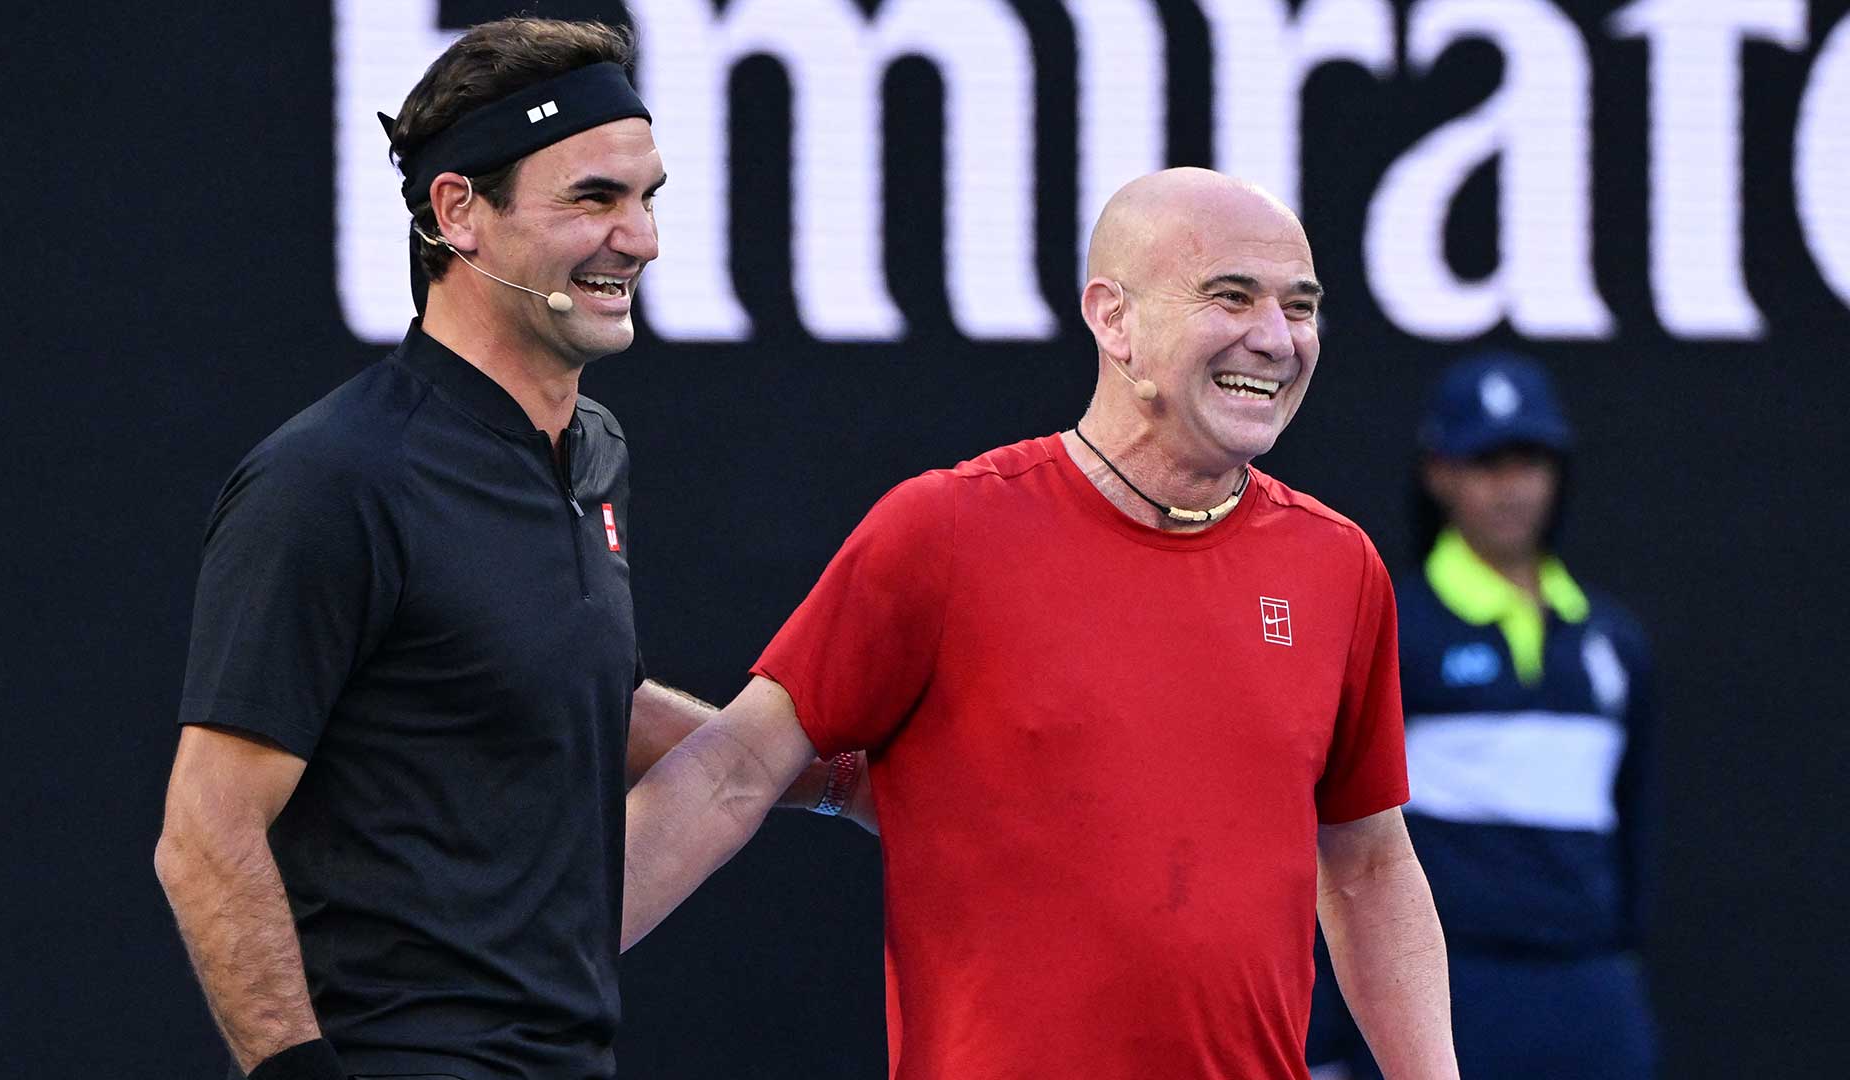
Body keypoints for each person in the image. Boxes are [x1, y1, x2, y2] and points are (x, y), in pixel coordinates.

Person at [622, 168, 1459, 1079]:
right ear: (1114, 318)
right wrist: (534, 975)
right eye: (1231, 297)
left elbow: (1369, 865)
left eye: (1300, 307)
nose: (1276, 339)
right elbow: (735, 770)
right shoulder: (944, 531)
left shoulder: (1338, 567)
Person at [152, 19, 859, 1080]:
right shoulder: (332, 479)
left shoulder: (594, 452)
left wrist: (828, 777)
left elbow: (572, 699)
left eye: (647, 198)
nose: (641, 240)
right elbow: (206, 833)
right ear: (459, 214)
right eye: (592, 199)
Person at [1306, 353, 1658, 1079]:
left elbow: (1634, 832)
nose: (1510, 487)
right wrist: (1328, 1042)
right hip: (1447, 989)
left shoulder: (1613, 642)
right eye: (1485, 461)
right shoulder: (1391, 626)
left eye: (1528, 460)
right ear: (1439, 473)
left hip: (1587, 991)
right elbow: (1339, 845)